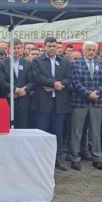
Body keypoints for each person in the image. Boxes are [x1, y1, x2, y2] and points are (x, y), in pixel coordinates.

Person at [32, 37, 72, 171]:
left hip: (60, 103)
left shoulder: (65, 61)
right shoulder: (37, 61)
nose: (52, 48)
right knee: (42, 133)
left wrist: (57, 86)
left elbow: (69, 78)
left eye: (54, 46)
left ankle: (57, 159)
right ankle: (41, 160)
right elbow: (37, 77)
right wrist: (52, 83)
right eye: (49, 46)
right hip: (43, 102)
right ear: (44, 47)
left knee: (58, 133)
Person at [69, 41, 102, 171]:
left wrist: (97, 92)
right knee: (77, 131)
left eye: (93, 50)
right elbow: (75, 82)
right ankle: (75, 158)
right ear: (83, 51)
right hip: (80, 101)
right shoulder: (75, 64)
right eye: (89, 50)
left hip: (96, 101)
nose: (91, 52)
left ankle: (97, 158)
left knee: (96, 132)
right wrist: (87, 93)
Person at [0, 38, 33, 129]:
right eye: (14, 48)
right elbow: (1, 82)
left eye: (18, 48)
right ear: (9, 49)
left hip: (23, 102)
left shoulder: (27, 63)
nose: (16, 50)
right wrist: (16, 90)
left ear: (22, 49)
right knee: (7, 129)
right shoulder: (2, 63)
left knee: (23, 129)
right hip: (8, 101)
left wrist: (22, 91)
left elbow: (31, 82)